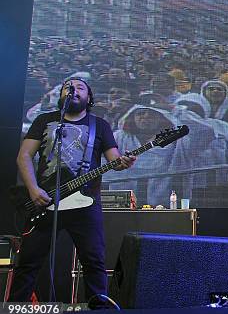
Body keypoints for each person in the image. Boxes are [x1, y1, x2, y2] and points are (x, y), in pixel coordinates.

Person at [10, 78, 136, 302]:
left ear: (88, 97)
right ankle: (13, 311)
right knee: (28, 261)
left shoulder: (100, 125)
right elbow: (24, 156)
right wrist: (33, 189)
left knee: (94, 260)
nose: (73, 91)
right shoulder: (44, 120)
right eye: (68, 87)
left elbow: (114, 160)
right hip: (45, 200)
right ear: (61, 95)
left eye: (80, 88)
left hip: (85, 202)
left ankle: (98, 312)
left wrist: (124, 162)